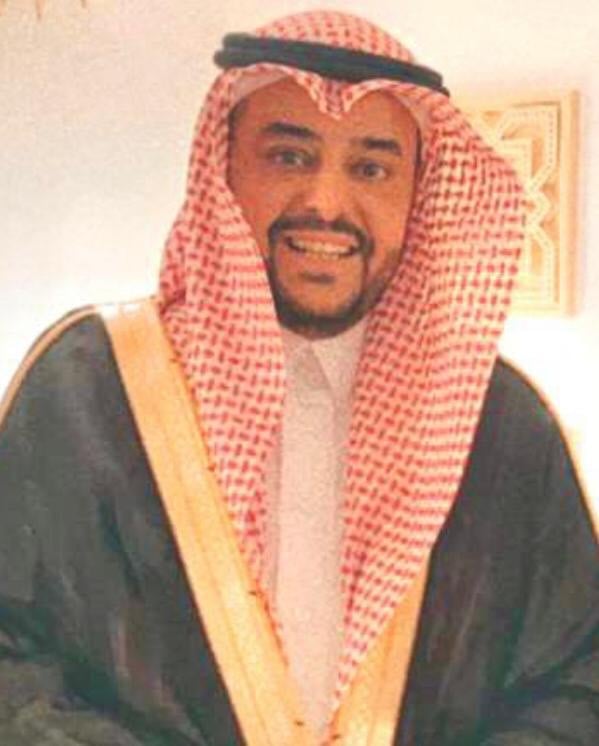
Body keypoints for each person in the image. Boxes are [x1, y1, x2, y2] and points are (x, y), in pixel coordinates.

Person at [1, 10, 598, 746]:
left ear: (417, 195)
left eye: (371, 169)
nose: (326, 203)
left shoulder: (500, 422)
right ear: (224, 168)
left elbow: (577, 679)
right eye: (289, 156)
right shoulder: (87, 388)